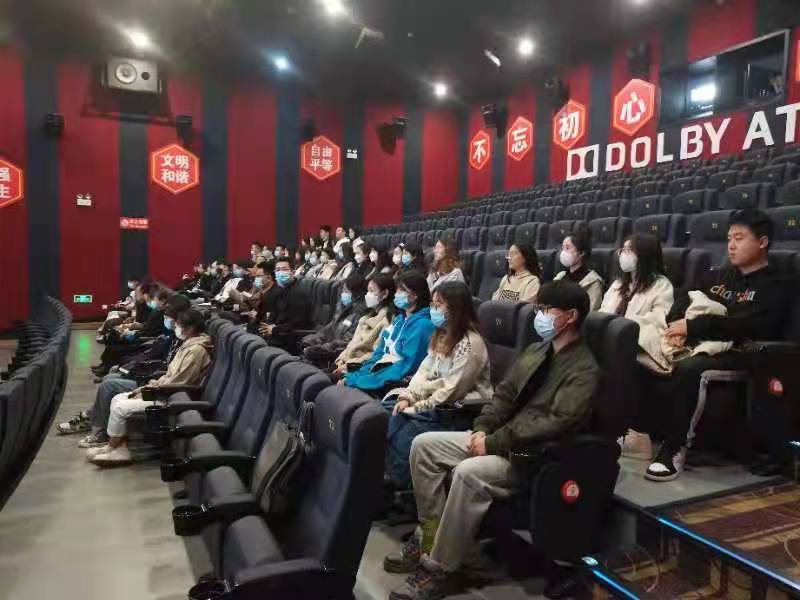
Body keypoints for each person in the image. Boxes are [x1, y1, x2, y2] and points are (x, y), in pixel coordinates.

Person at [385, 281, 600, 600]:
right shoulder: (537, 350)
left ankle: (440, 568)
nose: (538, 316)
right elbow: (503, 395)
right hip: (500, 439)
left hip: (529, 456)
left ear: (570, 316)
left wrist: (494, 442)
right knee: (423, 446)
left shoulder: (584, 369)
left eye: (545, 310)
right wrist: (483, 428)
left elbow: (554, 423)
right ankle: (428, 537)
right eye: (537, 308)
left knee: (468, 473)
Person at [640, 208, 795, 481]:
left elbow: (751, 324)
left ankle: (674, 449)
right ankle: (636, 431)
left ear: (762, 242)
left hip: (742, 351)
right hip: (697, 342)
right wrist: (677, 324)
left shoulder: (778, 284)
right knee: (637, 344)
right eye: (729, 238)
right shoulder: (718, 276)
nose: (731, 245)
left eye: (739, 238)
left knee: (691, 368)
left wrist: (695, 326)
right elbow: (685, 298)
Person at [382, 282, 493, 489]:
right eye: (433, 304)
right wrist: (407, 397)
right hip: (431, 405)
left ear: (456, 308)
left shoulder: (470, 343)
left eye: (439, 305)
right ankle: (382, 476)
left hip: (456, 411)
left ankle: (402, 491)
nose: (433, 309)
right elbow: (423, 373)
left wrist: (415, 407)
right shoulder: (442, 335)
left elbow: (451, 391)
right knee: (382, 414)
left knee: (404, 432)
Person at [86, 309, 213, 466]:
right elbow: (170, 375)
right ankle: (117, 446)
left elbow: (180, 382)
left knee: (120, 407)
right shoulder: (188, 345)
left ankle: (115, 448)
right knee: (118, 398)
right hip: (162, 389)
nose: (176, 327)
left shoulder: (196, 351)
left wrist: (150, 391)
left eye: (179, 324)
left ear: (191, 328)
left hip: (170, 397)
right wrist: (148, 386)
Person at [59, 295, 192, 441]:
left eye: (168, 314)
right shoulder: (174, 337)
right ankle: (93, 419)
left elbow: (172, 374)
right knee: (110, 376)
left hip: (156, 389)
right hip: (151, 378)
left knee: (109, 385)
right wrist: (132, 369)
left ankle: (100, 432)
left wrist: (144, 378)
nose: (165, 316)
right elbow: (159, 359)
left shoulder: (190, 346)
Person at [599, 234, 674, 462]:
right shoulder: (617, 285)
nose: (623, 254)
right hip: (610, 343)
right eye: (622, 249)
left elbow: (659, 320)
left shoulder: (661, 285)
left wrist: (622, 328)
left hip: (639, 348)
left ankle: (636, 439)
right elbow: (602, 313)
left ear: (645, 255)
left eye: (629, 250)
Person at [344, 271, 436, 394]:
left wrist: (362, 381)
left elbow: (406, 366)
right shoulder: (399, 320)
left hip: (391, 383)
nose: (396, 294)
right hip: (377, 374)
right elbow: (379, 353)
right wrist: (358, 375)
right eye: (397, 290)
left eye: (402, 291)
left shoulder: (424, 326)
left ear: (414, 295)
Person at [331, 273, 396, 379]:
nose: (367, 295)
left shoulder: (388, 321)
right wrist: (341, 359)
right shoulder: (365, 318)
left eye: (372, 291)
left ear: (384, 294)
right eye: (367, 291)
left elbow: (375, 354)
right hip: (345, 363)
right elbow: (352, 344)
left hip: (358, 369)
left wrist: (348, 366)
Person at [301, 272, 370, 368]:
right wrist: (312, 341)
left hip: (336, 356)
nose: (342, 294)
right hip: (326, 350)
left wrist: (319, 350)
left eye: (346, 291)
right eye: (343, 290)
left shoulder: (360, 315)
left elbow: (346, 343)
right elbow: (327, 330)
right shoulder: (341, 307)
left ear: (357, 295)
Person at [259, 258, 313, 352]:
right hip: (277, 332)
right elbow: (275, 313)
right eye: (277, 270)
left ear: (293, 271)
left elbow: (298, 323)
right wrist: (268, 326)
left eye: (284, 269)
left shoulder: (298, 293)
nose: (280, 272)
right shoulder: (280, 290)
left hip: (289, 338)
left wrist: (274, 329)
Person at [553, 224, 604, 311]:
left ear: (581, 253)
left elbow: (590, 312)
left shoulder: (593, 282)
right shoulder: (560, 276)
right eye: (562, 248)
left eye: (567, 248)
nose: (563, 252)